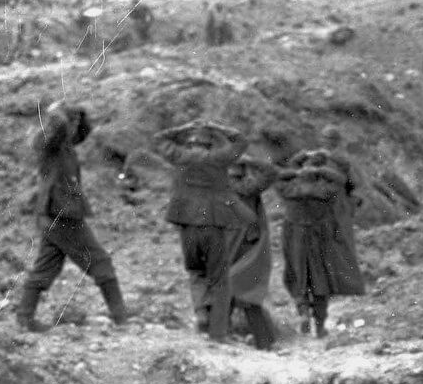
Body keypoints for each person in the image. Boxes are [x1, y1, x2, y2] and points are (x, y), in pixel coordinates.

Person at [13, 101, 130, 332]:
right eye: (72, 122)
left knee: (46, 267)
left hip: (57, 216)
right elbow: (56, 129)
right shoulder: (49, 144)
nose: (76, 127)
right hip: (61, 216)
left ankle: (24, 318)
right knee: (101, 262)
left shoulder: (65, 145)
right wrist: (58, 112)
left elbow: (84, 131)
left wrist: (80, 112)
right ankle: (122, 319)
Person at [152, 120, 252, 342]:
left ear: (190, 143)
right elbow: (241, 140)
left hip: (187, 224)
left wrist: (183, 127)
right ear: (209, 145)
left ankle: (201, 315)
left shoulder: (180, 156)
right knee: (218, 278)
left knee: (196, 271)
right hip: (213, 223)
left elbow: (159, 138)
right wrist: (218, 127)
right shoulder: (219, 158)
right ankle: (218, 332)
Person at [275, 146, 366, 338]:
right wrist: (320, 168)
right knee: (320, 280)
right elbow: (340, 179)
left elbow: (279, 176)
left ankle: (303, 313)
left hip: (294, 238)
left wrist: (298, 164)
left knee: (297, 276)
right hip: (319, 239)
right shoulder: (324, 190)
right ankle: (320, 325)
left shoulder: (290, 189)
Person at [217, 154, 281, 350]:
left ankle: (263, 342)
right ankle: (224, 335)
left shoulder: (247, 188)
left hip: (246, 248)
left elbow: (271, 173)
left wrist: (249, 159)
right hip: (229, 246)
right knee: (234, 292)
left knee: (240, 292)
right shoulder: (227, 190)